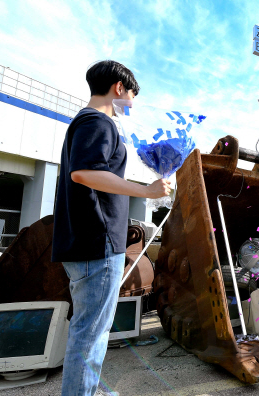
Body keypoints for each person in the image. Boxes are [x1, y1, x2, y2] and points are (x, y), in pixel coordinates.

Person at [52, 60, 171, 396]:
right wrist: (147, 191)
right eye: (132, 95)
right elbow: (84, 173)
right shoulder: (99, 122)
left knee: (89, 331)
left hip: (86, 242)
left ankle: (86, 388)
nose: (132, 104)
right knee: (90, 335)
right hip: (97, 243)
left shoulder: (85, 122)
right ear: (119, 88)